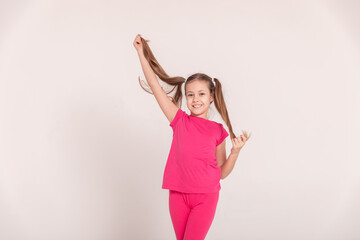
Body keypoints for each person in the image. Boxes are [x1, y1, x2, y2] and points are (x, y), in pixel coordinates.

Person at [133, 34, 251, 240]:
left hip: (206, 197)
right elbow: (154, 86)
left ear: (212, 96)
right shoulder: (179, 120)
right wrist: (141, 54)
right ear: (186, 97)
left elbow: (222, 173)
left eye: (202, 94)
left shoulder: (218, 130)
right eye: (190, 94)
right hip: (177, 195)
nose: (196, 99)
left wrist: (235, 152)